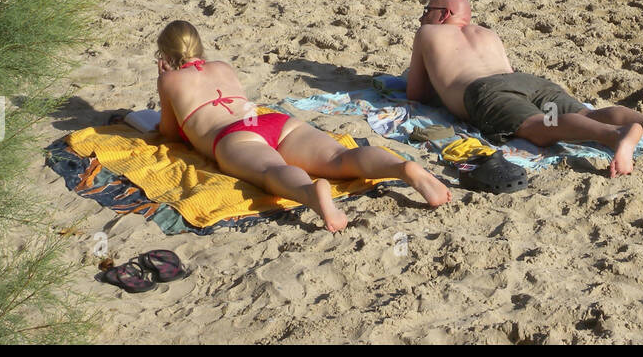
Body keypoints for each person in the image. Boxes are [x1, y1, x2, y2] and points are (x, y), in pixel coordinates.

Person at [155, 20, 450, 231]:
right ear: (199, 46)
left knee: (274, 171)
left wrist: (164, 79)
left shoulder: (169, 80)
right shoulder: (221, 67)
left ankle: (311, 194)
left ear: (164, 56)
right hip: (271, 121)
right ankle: (402, 169)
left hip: (233, 136)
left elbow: (169, 133)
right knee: (339, 157)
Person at [407, 0, 643, 177]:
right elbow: (506, 71)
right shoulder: (487, 33)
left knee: (537, 125)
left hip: (484, 90)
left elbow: (416, 94)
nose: (423, 15)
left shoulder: (428, 32)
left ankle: (616, 136)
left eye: (427, 9)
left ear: (443, 14)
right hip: (527, 81)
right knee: (588, 114)